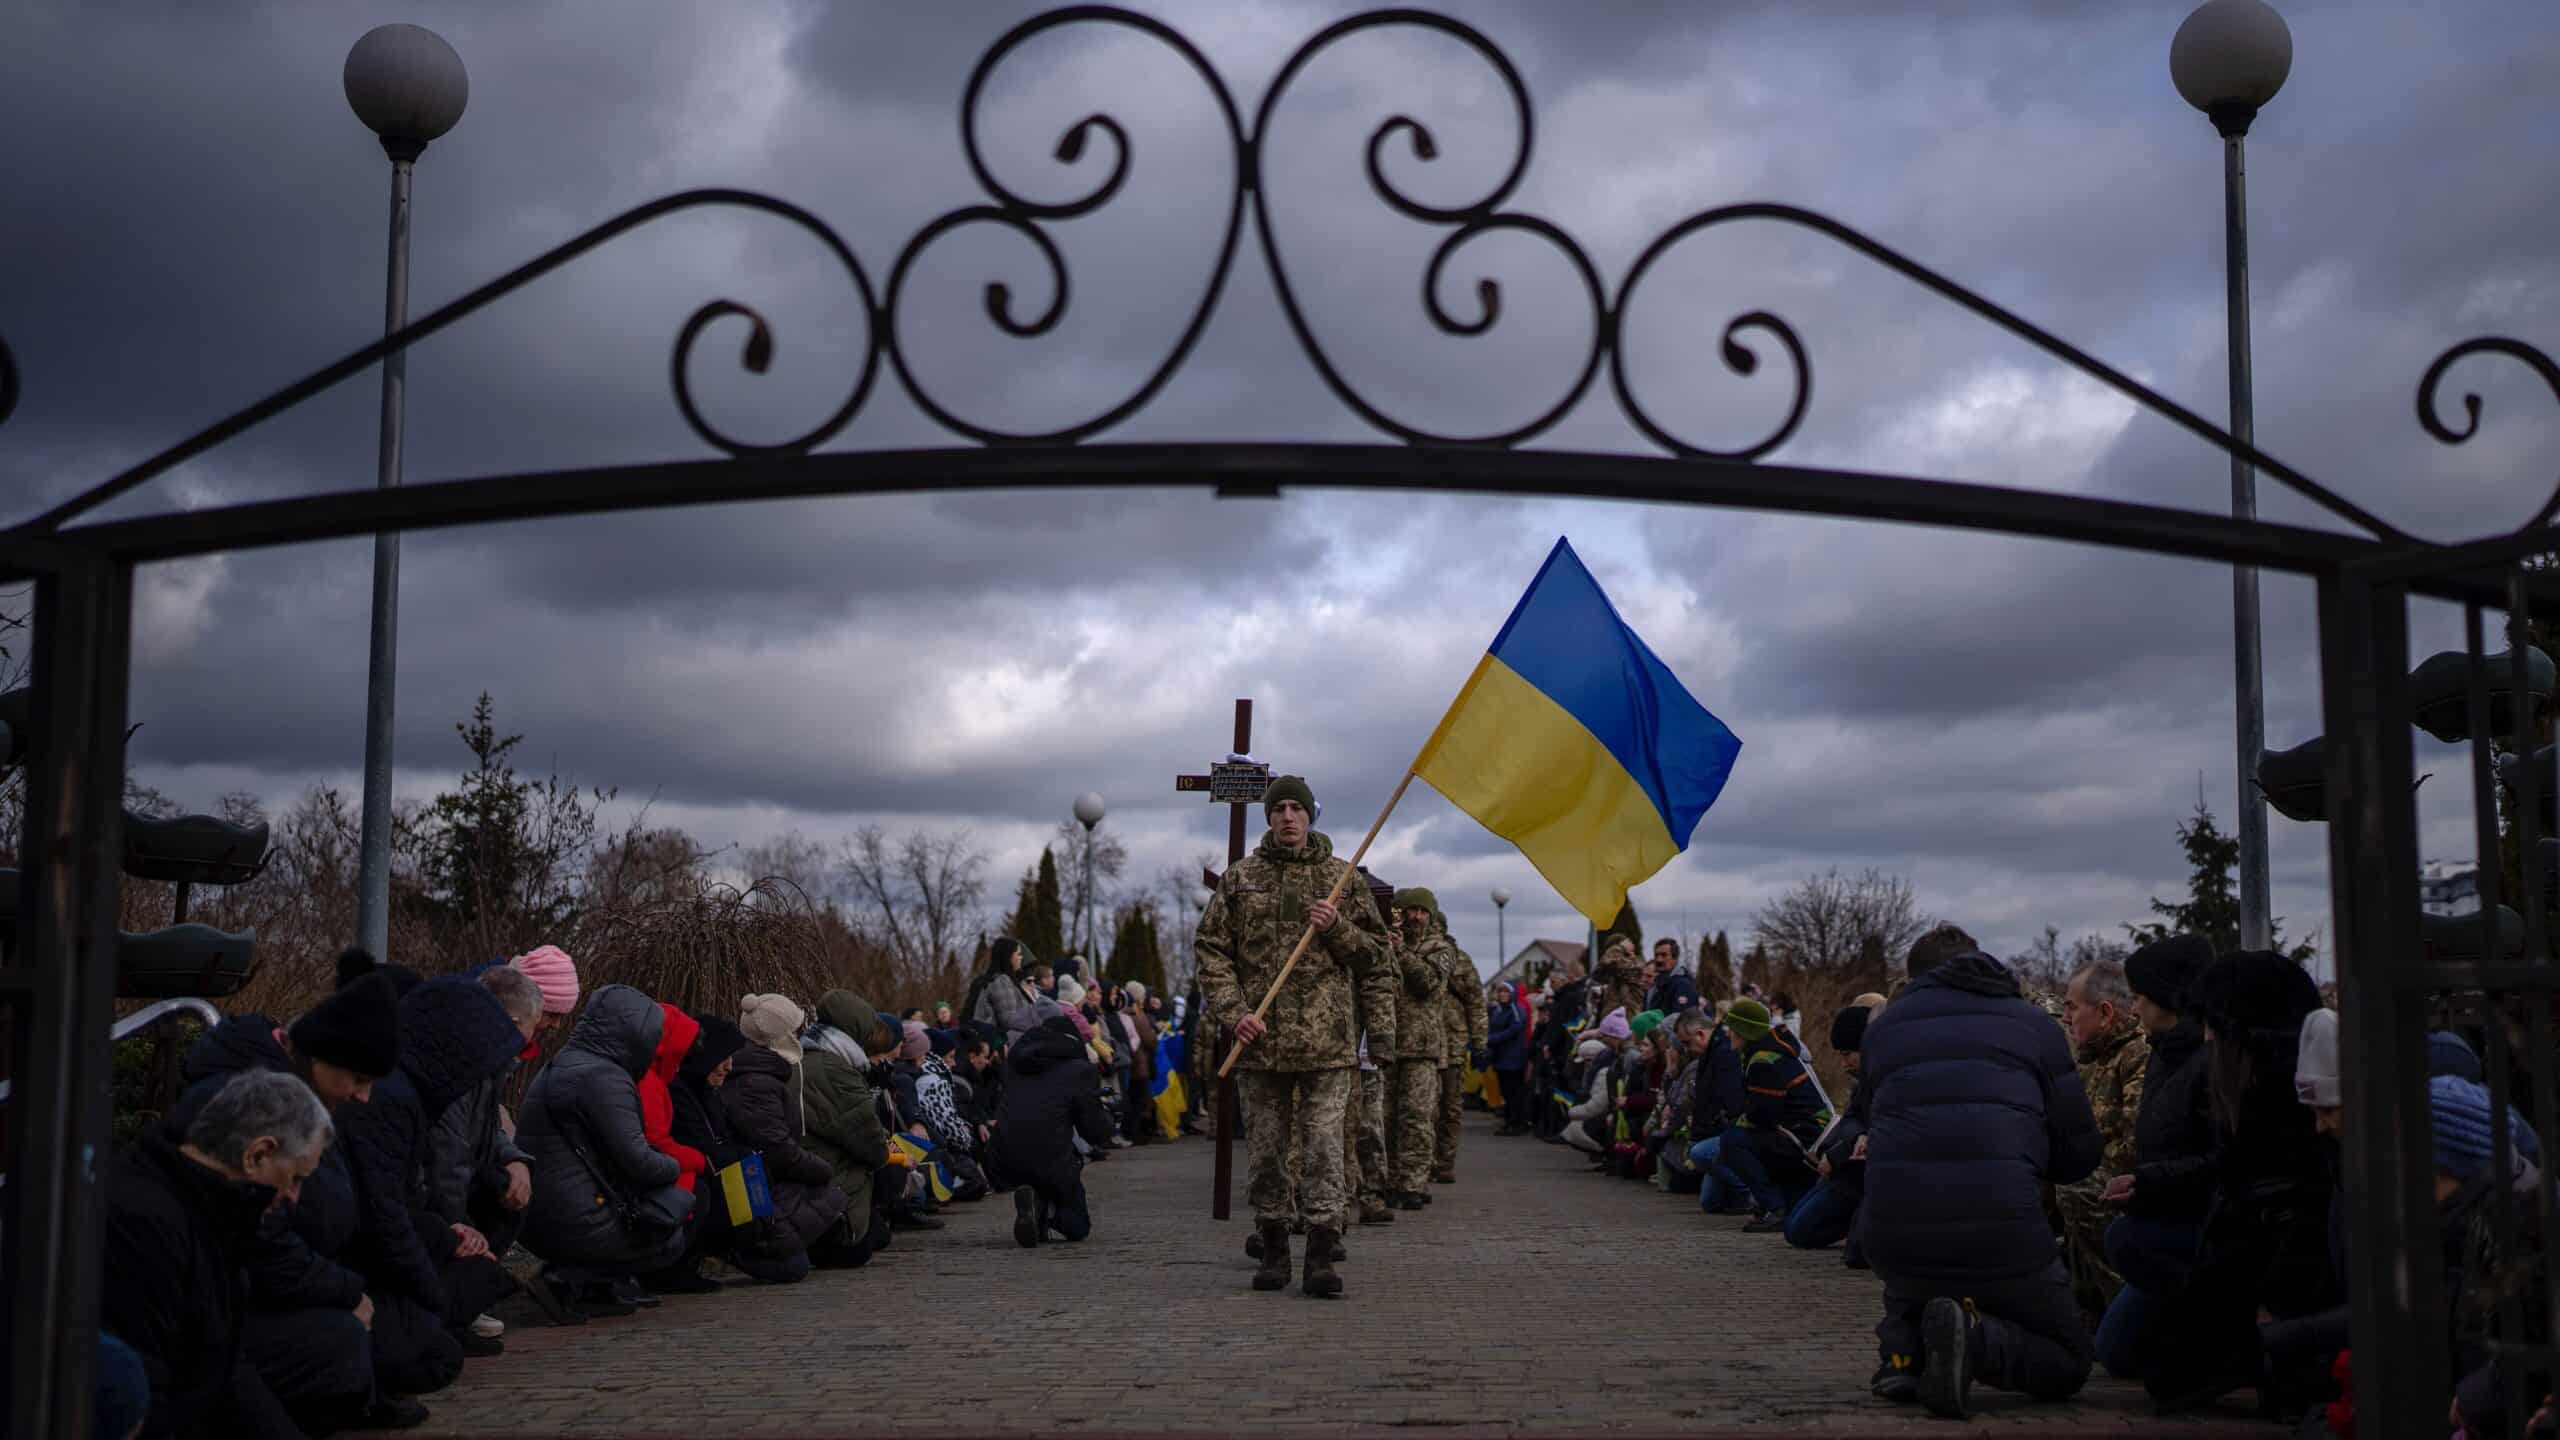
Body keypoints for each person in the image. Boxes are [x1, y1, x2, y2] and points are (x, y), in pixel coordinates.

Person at [1861, 924, 2101, 1419]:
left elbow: (1874, 1125)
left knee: (1914, 1262)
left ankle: (1903, 1356)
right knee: (2069, 1359)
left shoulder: (1883, 1029)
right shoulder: (2035, 1026)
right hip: (2005, 1233)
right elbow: (2079, 1151)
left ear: (1916, 977)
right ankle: (1978, 1340)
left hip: (1894, 1236)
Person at [165, 972, 417, 1432]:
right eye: (358, 1079)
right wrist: (345, 1291)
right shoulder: (250, 1105)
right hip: (231, 1315)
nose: (364, 1096)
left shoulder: (301, 1100)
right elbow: (261, 1248)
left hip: (262, 1299)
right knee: (347, 1348)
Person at [1194, 774, 1393, 1298]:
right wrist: (1234, 1012)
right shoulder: (1240, 880)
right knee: (1266, 1153)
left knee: (1326, 1149)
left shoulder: (1341, 880)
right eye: (1279, 808)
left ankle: (1322, 1254)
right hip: (1260, 1044)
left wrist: (1338, 928)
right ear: (1269, 817)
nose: (1288, 817)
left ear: (1310, 817)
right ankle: (1275, 1245)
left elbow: (1376, 956)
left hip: (1327, 1045)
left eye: (1296, 809)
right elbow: (1212, 952)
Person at [2141, 951, 2334, 1416]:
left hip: (2276, 1263)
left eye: (2215, 1025)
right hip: (2243, 1246)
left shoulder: (2282, 1103)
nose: (2206, 1037)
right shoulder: (2244, 1089)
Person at [103, 1068, 332, 1438]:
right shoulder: (148, 1222)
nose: (294, 1196)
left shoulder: (209, 1211)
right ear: (257, 1154)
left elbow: (222, 1365)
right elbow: (146, 1398)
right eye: (297, 1178)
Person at [336, 976, 525, 1365]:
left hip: (372, 1258)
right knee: (446, 1338)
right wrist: (447, 1243)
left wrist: (449, 1232)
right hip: (360, 1272)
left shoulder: (409, 1095)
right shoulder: (396, 1101)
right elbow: (384, 1215)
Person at [519, 984, 693, 1320]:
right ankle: (566, 1281)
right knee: (670, 1232)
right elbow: (638, 1161)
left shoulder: (568, 1064)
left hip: (542, 1210)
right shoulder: (604, 1077)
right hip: (573, 1216)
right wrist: (675, 1166)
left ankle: (595, 1288)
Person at [2096, 933, 2216, 1382]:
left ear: (2169, 999)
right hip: (2169, 1210)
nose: (2135, 1009)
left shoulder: (2208, 1061)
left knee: (2124, 1240)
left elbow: (2221, 1161)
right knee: (2115, 1352)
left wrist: (2147, 1183)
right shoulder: (2165, 1056)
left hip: (2196, 1223)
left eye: (2141, 998)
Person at [421, 963, 548, 1345]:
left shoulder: (487, 1065)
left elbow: (487, 1130)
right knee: (507, 1265)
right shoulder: (460, 1067)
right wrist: (461, 1231)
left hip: (458, 1193)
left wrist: (516, 1160)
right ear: (512, 1021)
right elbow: (447, 1161)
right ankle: (455, 1305)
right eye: (534, 1026)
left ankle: (467, 1297)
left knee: (508, 1194)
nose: (532, 1039)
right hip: (434, 1207)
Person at [715, 1002, 863, 1273]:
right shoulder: (757, 1083)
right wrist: (822, 1169)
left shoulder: (764, 1074)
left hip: (778, 1175)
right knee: (794, 1267)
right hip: (764, 1183)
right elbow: (778, 1149)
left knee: (851, 1244)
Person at [2053, 957, 2149, 1317]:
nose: (2065, 1018)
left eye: (2072, 1007)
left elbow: (2134, 1142)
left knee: (2075, 1187)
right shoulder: (2094, 1059)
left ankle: (2123, 1304)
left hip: (2128, 1183)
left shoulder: (2138, 1054)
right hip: (2099, 1176)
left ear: (2105, 1012)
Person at [991, 1012, 1118, 1246]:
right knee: (1078, 1226)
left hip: (1003, 1158)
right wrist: (1109, 1120)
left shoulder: (1014, 1065)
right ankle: (1049, 1214)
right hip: (1050, 1157)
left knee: (1047, 1157)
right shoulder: (1079, 1071)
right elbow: (1094, 1131)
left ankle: (1035, 1205)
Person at [1718, 998, 1830, 1232]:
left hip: (1805, 1138)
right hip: (1812, 1132)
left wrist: (1738, 1120)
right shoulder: (1771, 1048)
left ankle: (1773, 1208)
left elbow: (1763, 1115)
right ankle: (1781, 1200)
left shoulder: (1763, 1060)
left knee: (1731, 1142)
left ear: (1744, 1031)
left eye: (1732, 1029)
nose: (1729, 1034)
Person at [1786, 1000, 1877, 1258]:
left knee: (1800, 1231)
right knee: (1795, 1228)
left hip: (1857, 1172)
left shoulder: (1879, 1079)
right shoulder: (1862, 1084)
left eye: (1847, 1054)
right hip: (1848, 1166)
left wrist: (1838, 1154)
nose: (1843, 1064)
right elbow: (1851, 1119)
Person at [1383, 887, 1453, 1211]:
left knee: (1417, 1118)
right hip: (1385, 1044)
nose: (1417, 917)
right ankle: (1388, 1180)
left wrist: (1403, 954)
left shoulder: (1440, 949)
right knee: (1383, 1118)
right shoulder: (1385, 941)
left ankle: (1413, 1182)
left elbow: (1426, 984)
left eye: (1423, 912)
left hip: (1421, 1047)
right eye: (1411, 911)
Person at [1434, 909, 1486, 1184]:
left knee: (1450, 1108)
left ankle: (1445, 1161)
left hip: (1453, 1044)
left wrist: (1479, 1043)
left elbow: (1476, 1003)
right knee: (1424, 1109)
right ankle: (1423, 1160)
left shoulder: (1460, 962)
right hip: (1423, 1044)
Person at [967, 938, 1042, 1044]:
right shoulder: (1001, 981)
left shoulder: (1004, 979)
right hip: (1001, 1045)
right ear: (1008, 956)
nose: (1022, 958)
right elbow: (1009, 1020)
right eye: (1019, 954)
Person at [1486, 979, 1530, 1136]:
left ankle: (1518, 1123)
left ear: (1512, 994)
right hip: (1500, 1057)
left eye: (1506, 991)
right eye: (1500, 991)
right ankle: (1510, 1121)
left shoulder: (1516, 1009)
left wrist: (1491, 1039)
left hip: (1514, 1057)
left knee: (1515, 1092)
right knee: (1505, 1091)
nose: (1502, 994)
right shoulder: (1498, 1010)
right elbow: (1491, 1028)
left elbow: (1515, 1029)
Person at [1590, 936, 1648, 1030]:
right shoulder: (1614, 973)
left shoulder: (1636, 967)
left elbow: (1610, 962)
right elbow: (1599, 970)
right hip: (1612, 1027)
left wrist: (1620, 949)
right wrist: (1620, 948)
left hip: (1628, 1026)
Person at [1645, 937, 1701, 1016]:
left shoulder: (1683, 985)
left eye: (1664, 955)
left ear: (1675, 958)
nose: (1659, 960)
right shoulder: (1655, 986)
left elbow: (1681, 1019)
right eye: (1656, 955)